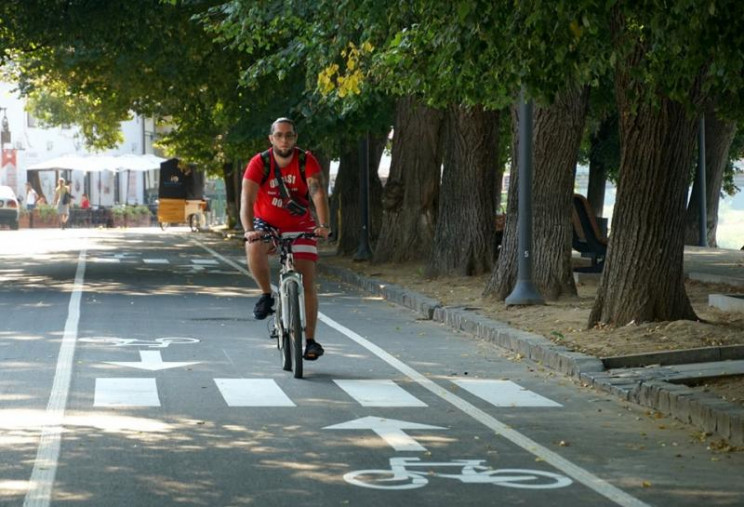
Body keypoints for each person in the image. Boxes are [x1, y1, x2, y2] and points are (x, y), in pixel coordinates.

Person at [241, 117, 331, 361]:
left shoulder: (305, 160)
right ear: (271, 138)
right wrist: (249, 229)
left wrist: (323, 225)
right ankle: (265, 295)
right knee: (254, 244)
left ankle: (310, 341)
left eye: (289, 135)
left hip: (300, 224)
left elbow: (318, 194)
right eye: (279, 135)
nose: (284, 139)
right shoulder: (260, 163)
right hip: (266, 224)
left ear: (295, 138)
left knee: (308, 281)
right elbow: (246, 201)